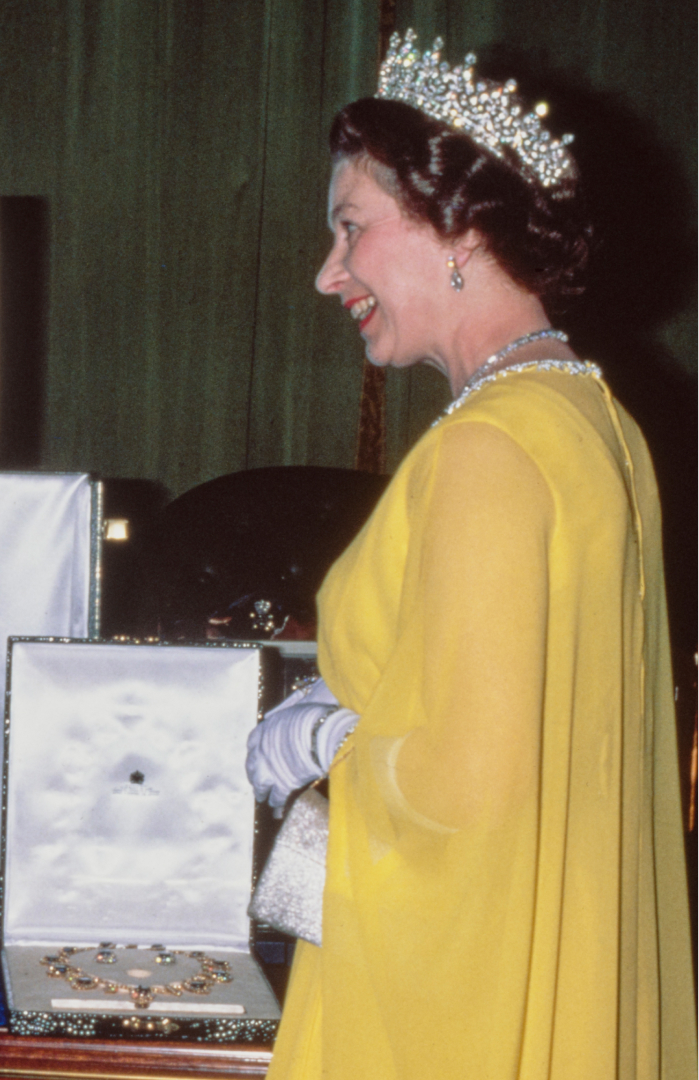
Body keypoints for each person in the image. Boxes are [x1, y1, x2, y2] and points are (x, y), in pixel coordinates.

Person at [246, 30, 696, 1080]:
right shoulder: (599, 422)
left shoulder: (486, 448)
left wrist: (328, 747)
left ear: (458, 226)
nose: (328, 274)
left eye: (350, 229)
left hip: (463, 1014)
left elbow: (463, 784)